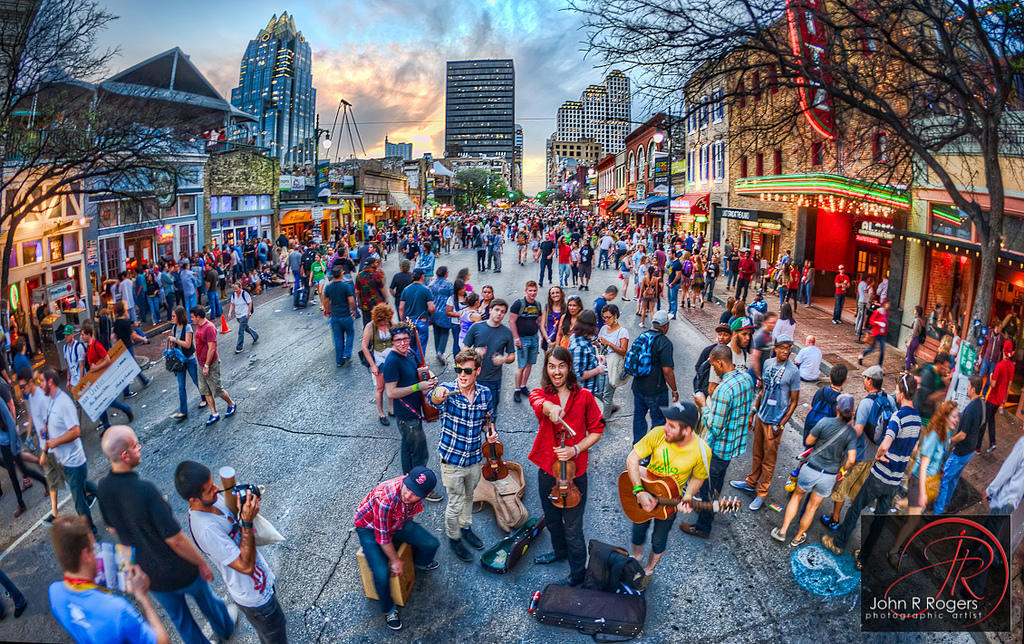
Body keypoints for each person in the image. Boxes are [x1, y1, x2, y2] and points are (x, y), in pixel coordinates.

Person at [99, 428, 234, 644]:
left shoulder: (103, 489)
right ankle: (226, 629)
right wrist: (202, 563)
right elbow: (176, 539)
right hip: (181, 569)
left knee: (182, 622)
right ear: (125, 455)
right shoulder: (146, 490)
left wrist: (129, 567)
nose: (139, 447)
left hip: (152, 578)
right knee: (209, 602)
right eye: (135, 445)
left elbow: (115, 531)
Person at [175, 461, 287, 644]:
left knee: (273, 632)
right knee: (275, 635)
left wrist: (246, 501)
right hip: (253, 596)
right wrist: (247, 522)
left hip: (262, 580)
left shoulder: (214, 499)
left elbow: (234, 513)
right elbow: (245, 566)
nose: (216, 489)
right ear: (193, 500)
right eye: (209, 489)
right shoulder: (206, 529)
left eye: (213, 483)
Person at [823, 372, 921, 567]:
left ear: (901, 392)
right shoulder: (917, 418)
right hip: (895, 478)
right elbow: (915, 448)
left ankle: (838, 543)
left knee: (856, 507)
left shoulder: (898, 416)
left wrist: (879, 455)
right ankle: (863, 558)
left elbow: (885, 443)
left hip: (881, 475)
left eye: (897, 390)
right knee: (880, 519)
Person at [529, 346, 604, 586]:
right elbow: (536, 400)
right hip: (547, 470)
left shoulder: (585, 397)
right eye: (552, 366)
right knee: (551, 519)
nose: (556, 371)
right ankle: (559, 552)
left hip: (575, 474)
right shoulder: (542, 394)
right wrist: (550, 408)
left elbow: (597, 430)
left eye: (561, 365)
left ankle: (577, 574)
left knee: (573, 527)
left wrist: (575, 449)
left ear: (569, 367)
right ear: (547, 368)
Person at [48, 515, 170, 644]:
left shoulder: (54, 592)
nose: (99, 552)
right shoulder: (118, 610)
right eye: (95, 547)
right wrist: (142, 597)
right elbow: (161, 641)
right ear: (85, 555)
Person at [626, 402, 710, 576]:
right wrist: (639, 491)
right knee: (638, 531)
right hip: (645, 489)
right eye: (666, 422)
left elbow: (698, 477)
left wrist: (687, 496)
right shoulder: (657, 434)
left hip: (670, 500)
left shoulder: (702, 451)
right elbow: (632, 459)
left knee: (659, 539)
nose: (665, 428)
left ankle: (648, 570)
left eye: (671, 426)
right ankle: (635, 558)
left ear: (686, 430)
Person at [354, 466, 440, 630]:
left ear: (425, 495)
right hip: (369, 528)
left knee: (431, 544)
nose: (408, 495)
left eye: (415, 494)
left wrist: (404, 555)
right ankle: (389, 609)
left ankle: (418, 564)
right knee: (381, 573)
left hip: (397, 521)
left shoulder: (414, 496)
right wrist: (395, 560)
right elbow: (382, 537)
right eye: (408, 488)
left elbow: (409, 514)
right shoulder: (386, 498)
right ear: (406, 478)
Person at [429, 349, 495, 562]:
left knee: (469, 497)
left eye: (467, 370)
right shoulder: (447, 391)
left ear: (477, 371)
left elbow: (486, 420)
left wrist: (490, 432)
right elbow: (434, 400)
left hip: (474, 458)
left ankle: (465, 528)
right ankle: (454, 537)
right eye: (458, 370)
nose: (462, 375)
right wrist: (437, 396)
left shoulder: (485, 393)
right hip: (452, 460)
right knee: (455, 502)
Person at [686, 345, 756, 539]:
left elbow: (715, 427)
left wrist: (703, 405)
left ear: (719, 362)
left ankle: (703, 526)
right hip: (732, 445)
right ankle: (710, 508)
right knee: (717, 482)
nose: (713, 371)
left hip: (718, 448)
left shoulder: (723, 390)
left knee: (708, 486)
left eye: (714, 366)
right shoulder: (746, 378)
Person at [772, 394, 857, 547]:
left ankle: (783, 531)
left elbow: (809, 441)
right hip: (829, 476)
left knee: (797, 497)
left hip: (811, 468)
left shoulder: (825, 422)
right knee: (812, 507)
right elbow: (851, 459)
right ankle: (798, 537)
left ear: (837, 408)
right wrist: (843, 471)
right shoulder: (851, 434)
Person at [820, 365, 896, 530]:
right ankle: (852, 520)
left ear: (869, 381)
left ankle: (834, 520)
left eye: (864, 378)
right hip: (873, 456)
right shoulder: (889, 399)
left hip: (858, 454)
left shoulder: (866, 403)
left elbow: (858, 431)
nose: (864, 381)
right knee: (857, 489)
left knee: (842, 487)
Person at [731, 336, 801, 510]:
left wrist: (782, 423)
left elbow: (794, 402)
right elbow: (763, 390)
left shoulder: (793, 371)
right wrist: (753, 412)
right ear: (775, 348)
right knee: (757, 454)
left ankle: (762, 493)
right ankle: (750, 482)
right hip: (762, 416)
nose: (786, 351)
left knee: (769, 460)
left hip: (775, 422)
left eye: (789, 348)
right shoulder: (768, 364)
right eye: (783, 347)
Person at [383, 325, 442, 503]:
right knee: (420, 452)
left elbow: (418, 370)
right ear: (392, 341)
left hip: (415, 410)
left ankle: (406, 481)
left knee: (407, 448)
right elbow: (391, 393)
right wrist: (419, 386)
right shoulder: (392, 362)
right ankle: (420, 486)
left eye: (405, 339)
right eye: (398, 340)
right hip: (407, 415)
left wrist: (429, 377)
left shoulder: (410, 353)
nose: (403, 343)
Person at [39, 367, 98, 536]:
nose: (40, 385)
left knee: (79, 501)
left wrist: (55, 441)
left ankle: (92, 533)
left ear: (50, 382)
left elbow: (76, 431)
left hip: (74, 461)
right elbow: (54, 428)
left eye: (42, 381)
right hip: (63, 461)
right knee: (82, 485)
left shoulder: (64, 403)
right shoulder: (51, 401)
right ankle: (107, 495)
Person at [934, 376, 984, 514]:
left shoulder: (971, 409)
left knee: (945, 478)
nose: (967, 389)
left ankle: (938, 510)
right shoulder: (981, 404)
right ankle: (946, 503)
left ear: (973, 389)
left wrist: (948, 442)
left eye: (968, 387)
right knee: (954, 478)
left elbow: (962, 434)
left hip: (961, 452)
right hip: (970, 451)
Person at [630, 310, 678, 447]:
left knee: (639, 418)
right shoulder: (665, 343)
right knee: (658, 423)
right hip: (657, 391)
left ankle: (638, 449)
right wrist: (674, 390)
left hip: (638, 387)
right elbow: (668, 371)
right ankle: (653, 451)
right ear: (666, 326)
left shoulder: (642, 336)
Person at [461, 299, 515, 418]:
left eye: (502, 311)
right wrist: (474, 352)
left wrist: (504, 359)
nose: (499, 313)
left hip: (494, 380)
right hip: (474, 378)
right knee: (472, 411)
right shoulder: (476, 327)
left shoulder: (507, 332)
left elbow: (512, 356)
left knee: (492, 412)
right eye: (496, 310)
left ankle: (490, 435)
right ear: (490, 310)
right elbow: (463, 350)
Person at [80, 321, 135, 431]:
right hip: (97, 380)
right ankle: (106, 426)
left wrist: (96, 368)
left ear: (88, 334)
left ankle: (126, 409)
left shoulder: (96, 345)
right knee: (100, 404)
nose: (81, 337)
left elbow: (108, 360)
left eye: (82, 334)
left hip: (102, 379)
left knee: (108, 402)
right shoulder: (89, 347)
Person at [191, 306, 236, 426]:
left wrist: (206, 365)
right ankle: (214, 413)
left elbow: (212, 348)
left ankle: (231, 404)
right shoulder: (199, 327)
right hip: (201, 363)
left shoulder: (209, 328)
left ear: (198, 317)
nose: (191, 319)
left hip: (210, 364)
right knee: (205, 390)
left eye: (192, 317)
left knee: (217, 389)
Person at [510, 281, 543, 402]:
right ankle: (517, 389)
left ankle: (523, 386)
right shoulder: (518, 304)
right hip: (522, 339)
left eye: (534, 290)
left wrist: (543, 337)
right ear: (526, 291)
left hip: (534, 338)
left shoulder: (537, 305)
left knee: (529, 364)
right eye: (530, 290)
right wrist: (516, 338)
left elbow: (539, 322)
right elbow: (512, 321)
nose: (532, 293)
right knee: (521, 366)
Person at [167, 306, 201, 421]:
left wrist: (175, 340)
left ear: (179, 316)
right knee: (181, 387)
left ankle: (205, 398)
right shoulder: (174, 328)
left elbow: (187, 344)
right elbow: (176, 345)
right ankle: (183, 411)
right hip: (179, 361)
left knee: (196, 381)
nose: (172, 318)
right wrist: (172, 345)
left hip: (189, 359)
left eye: (173, 316)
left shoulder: (188, 328)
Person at [980, 339, 1013, 453]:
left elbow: (993, 385)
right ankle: (992, 442)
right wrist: (1004, 401)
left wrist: (990, 376)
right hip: (999, 400)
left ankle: (977, 447)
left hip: (992, 399)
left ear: (1003, 351)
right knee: (991, 419)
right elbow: (1009, 386)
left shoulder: (999, 365)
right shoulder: (1012, 367)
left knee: (984, 420)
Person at [113, 301, 151, 397]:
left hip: (121, 348)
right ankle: (127, 391)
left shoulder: (116, 322)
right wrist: (144, 339)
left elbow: (115, 335)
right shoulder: (125, 322)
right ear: (124, 309)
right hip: (128, 347)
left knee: (131, 367)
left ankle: (144, 381)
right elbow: (133, 335)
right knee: (131, 367)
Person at [597, 304, 630, 418]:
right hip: (601, 365)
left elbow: (623, 351)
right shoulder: (603, 328)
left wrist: (609, 343)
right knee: (597, 391)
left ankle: (604, 419)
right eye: (604, 318)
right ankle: (610, 406)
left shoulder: (622, 332)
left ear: (615, 315)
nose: (606, 320)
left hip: (613, 367)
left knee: (607, 395)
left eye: (609, 317)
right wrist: (597, 344)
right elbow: (600, 345)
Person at [323, 266, 357, 367]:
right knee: (350, 334)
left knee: (338, 338)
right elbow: (351, 301)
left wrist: (328, 311)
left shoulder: (328, 287)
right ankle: (347, 353)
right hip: (345, 314)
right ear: (341, 274)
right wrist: (354, 310)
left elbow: (326, 302)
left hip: (335, 315)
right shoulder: (345, 286)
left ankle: (339, 360)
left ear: (332, 275)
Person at [398, 268, 434, 349]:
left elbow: (401, 308)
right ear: (422, 276)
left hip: (409, 321)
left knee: (411, 344)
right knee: (421, 345)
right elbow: (431, 308)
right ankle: (420, 361)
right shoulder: (426, 290)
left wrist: (402, 321)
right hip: (422, 320)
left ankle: (413, 360)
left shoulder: (406, 290)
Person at [428, 267, 455, 364]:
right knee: (444, 333)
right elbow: (453, 299)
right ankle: (440, 351)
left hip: (434, 311)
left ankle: (437, 351)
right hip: (444, 312)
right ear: (446, 274)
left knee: (436, 333)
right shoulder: (449, 285)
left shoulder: (431, 284)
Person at [228, 282, 259, 355]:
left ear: (240, 287)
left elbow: (250, 303)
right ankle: (255, 336)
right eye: (234, 289)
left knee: (240, 331)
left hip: (245, 314)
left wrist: (248, 313)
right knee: (246, 328)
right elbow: (232, 304)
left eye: (236, 289)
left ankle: (239, 347)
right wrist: (229, 312)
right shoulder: (234, 295)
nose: (235, 290)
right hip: (238, 315)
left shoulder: (245, 294)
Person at [858, 299, 889, 366]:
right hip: (876, 332)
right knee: (872, 348)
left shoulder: (886, 313)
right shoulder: (878, 311)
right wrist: (878, 323)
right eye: (887, 304)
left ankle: (879, 366)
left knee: (882, 351)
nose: (888, 305)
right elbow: (871, 321)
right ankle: (862, 354)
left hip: (882, 334)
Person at [905, 306, 926, 370]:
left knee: (908, 356)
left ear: (917, 312)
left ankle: (907, 370)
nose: (914, 311)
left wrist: (909, 341)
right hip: (916, 340)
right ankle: (916, 365)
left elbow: (914, 332)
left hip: (914, 339)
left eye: (915, 310)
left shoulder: (917, 320)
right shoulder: (921, 320)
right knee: (910, 354)